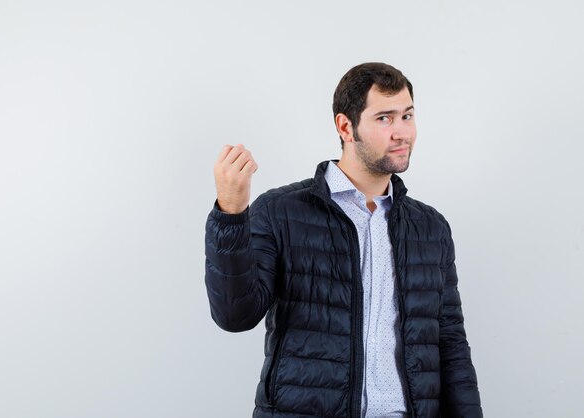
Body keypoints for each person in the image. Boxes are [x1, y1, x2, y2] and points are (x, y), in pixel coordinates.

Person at [204, 62, 482, 418]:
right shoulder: (281, 211)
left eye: (407, 116)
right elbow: (234, 315)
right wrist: (231, 214)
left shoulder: (430, 228)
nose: (402, 133)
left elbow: (451, 344)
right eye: (384, 118)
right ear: (346, 126)